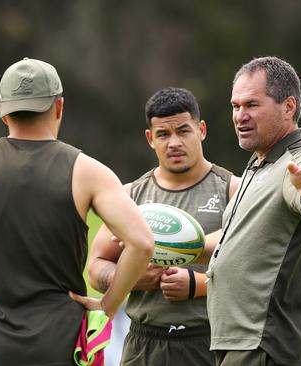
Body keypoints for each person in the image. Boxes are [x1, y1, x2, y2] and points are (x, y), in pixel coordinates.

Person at [0, 57, 154, 365]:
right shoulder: (88, 172)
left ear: (4, 114)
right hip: (61, 345)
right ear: (59, 107)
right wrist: (107, 306)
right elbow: (141, 242)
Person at [87, 87, 239, 366]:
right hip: (144, 345)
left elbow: (255, 269)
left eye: (183, 131)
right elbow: (95, 269)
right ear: (150, 138)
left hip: (211, 343)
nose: (174, 143)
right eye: (163, 134)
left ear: (201, 130)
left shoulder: (232, 190)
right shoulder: (130, 195)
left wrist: (198, 285)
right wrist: (129, 275)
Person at [206, 56, 301, 366]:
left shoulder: (300, 160)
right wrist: (173, 246)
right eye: (235, 106)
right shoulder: (260, 164)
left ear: (288, 107)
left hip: (267, 346)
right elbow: (233, 243)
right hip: (242, 343)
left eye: (252, 105)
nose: (240, 116)